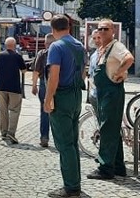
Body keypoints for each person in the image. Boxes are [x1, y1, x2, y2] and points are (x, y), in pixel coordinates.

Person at [44, 15, 86, 198]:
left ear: (52, 29)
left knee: (64, 144)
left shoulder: (56, 46)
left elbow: (54, 76)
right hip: (76, 95)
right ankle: (75, 181)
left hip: (62, 96)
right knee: (73, 142)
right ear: (69, 26)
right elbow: (83, 72)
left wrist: (48, 99)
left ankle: (71, 187)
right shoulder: (79, 45)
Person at [87, 19, 133, 180]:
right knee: (112, 129)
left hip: (111, 93)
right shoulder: (103, 48)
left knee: (107, 129)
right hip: (103, 93)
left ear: (112, 30)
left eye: (105, 29)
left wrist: (119, 73)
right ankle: (118, 166)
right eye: (99, 29)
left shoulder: (116, 46)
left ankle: (105, 168)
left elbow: (129, 59)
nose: (102, 31)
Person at [0, 37, 27, 143]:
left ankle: (3, 132)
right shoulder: (17, 56)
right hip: (14, 88)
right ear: (14, 46)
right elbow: (24, 71)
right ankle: (11, 133)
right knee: (14, 110)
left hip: (1, 87)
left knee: (3, 111)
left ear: (5, 45)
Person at [31, 33, 56, 147]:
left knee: (44, 111)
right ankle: (58, 138)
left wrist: (34, 85)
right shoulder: (59, 52)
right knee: (57, 113)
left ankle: (44, 137)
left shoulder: (42, 54)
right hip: (58, 85)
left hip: (44, 84)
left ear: (46, 43)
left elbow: (36, 71)